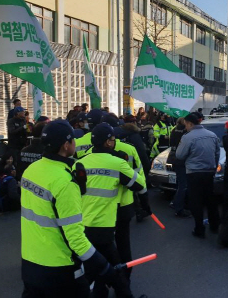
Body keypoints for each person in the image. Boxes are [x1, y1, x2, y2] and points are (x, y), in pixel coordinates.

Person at [21, 120, 129, 297]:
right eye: (73, 140)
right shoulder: (65, 182)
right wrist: (105, 267)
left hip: (30, 264)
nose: (75, 143)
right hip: (59, 269)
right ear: (66, 145)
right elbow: (76, 239)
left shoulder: (31, 170)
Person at [76, 123, 145, 298]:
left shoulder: (80, 163)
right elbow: (140, 185)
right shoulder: (117, 163)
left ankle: (101, 291)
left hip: (82, 224)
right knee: (116, 268)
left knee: (93, 266)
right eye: (113, 139)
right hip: (103, 226)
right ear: (108, 143)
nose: (115, 142)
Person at [176, 113, 220, 238]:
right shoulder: (212, 135)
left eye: (186, 125)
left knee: (196, 201)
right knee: (210, 200)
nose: (185, 128)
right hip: (209, 172)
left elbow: (180, 155)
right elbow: (216, 153)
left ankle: (199, 229)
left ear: (190, 123)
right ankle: (214, 225)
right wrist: (213, 167)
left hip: (194, 173)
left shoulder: (188, 137)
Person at [167, 117, 189, 217]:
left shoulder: (174, 130)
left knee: (180, 183)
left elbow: (171, 144)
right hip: (181, 159)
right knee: (183, 185)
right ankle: (178, 207)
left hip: (173, 157)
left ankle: (175, 202)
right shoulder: (185, 131)